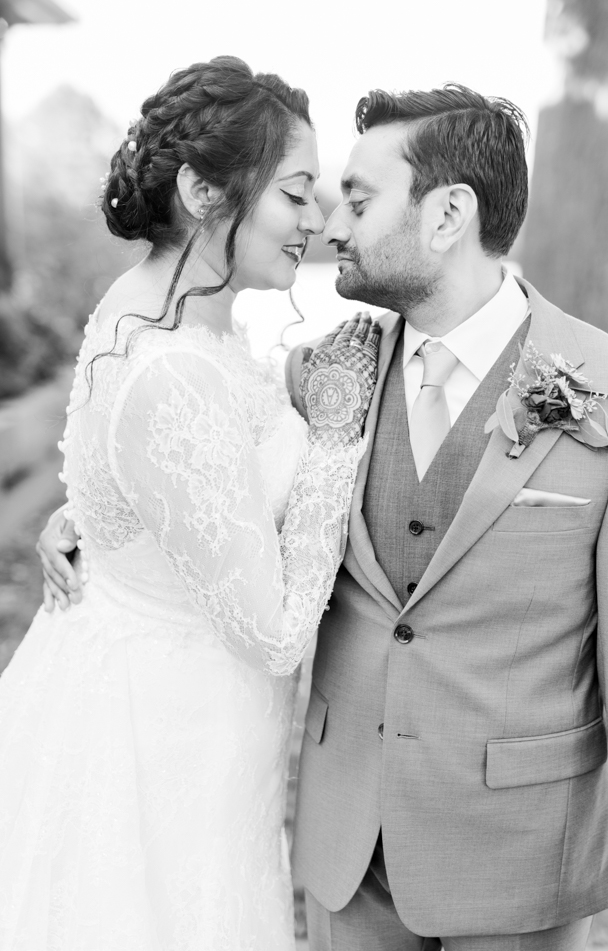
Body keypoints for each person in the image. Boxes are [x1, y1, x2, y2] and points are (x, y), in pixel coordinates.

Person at [0, 55, 379, 950]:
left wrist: (96, 520)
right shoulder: (172, 364)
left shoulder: (171, 313)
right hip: (161, 757)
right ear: (205, 192)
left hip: (175, 724)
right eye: (295, 194)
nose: (318, 219)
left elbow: (163, 476)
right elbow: (277, 633)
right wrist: (330, 443)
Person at [283, 86, 608, 950]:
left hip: (521, 866)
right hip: (350, 856)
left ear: (449, 212)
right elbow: (195, 436)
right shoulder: (325, 372)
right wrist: (93, 519)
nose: (331, 227)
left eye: (357, 198)